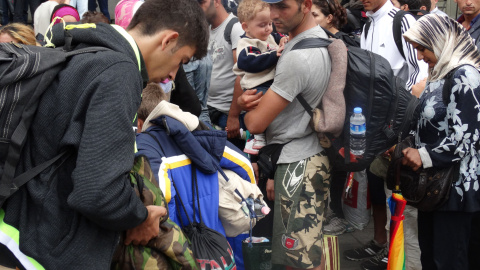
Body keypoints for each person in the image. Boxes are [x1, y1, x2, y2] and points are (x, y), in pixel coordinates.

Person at [0, 0, 209, 269]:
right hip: (41, 252)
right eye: (181, 61)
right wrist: (139, 217)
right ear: (169, 40)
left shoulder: (83, 49)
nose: (172, 75)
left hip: (15, 230)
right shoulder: (119, 72)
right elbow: (97, 193)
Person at [238, 0, 332, 268]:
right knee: (307, 250)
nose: (274, 14)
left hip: (299, 164)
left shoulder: (298, 56)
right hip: (305, 156)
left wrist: (243, 107)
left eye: (283, 6)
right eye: (271, 6)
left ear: (306, 5)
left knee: (299, 259)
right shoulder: (314, 39)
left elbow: (255, 123)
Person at [343, 0, 428, 268]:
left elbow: (420, 70)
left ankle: (396, 253)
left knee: (396, 190)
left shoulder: (401, 20)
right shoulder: (368, 22)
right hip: (372, 124)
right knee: (376, 186)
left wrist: (399, 117)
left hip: (396, 126)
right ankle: (381, 243)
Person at [402, 13, 480, 270]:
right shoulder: (441, 73)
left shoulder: (464, 75)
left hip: (454, 190)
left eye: (423, 48)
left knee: (448, 261)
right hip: (434, 187)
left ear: (440, 41)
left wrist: (423, 156)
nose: (420, 56)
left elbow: (465, 137)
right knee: (431, 258)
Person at [233, 0, 287, 154]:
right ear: (245, 27)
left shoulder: (269, 37)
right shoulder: (246, 43)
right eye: (262, 25)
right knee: (262, 108)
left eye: (270, 23)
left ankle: (255, 136)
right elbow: (249, 61)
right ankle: (255, 138)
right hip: (256, 85)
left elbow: (280, 39)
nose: (268, 28)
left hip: (269, 82)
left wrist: (283, 41)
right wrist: (274, 55)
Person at [197, 0, 245, 143]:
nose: (198, 7)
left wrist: (233, 116)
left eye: (202, 2)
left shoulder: (235, 27)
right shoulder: (207, 30)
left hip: (227, 114)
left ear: (217, 1)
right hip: (209, 110)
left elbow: (242, 74)